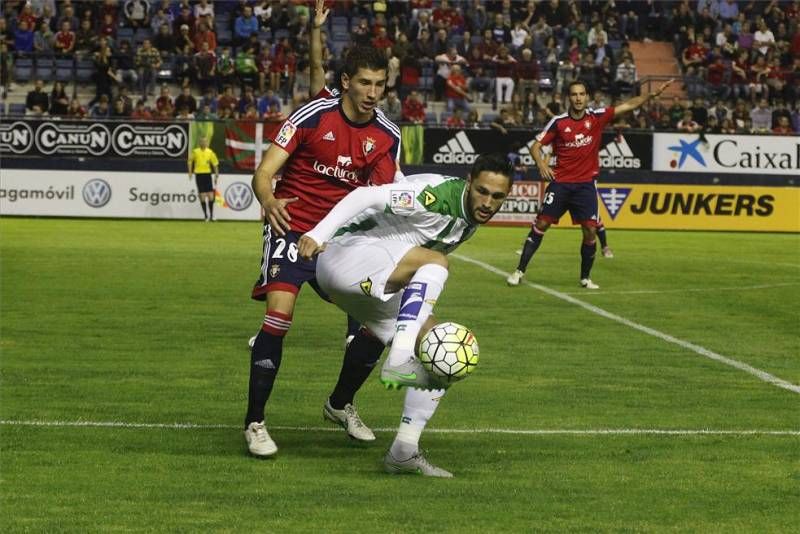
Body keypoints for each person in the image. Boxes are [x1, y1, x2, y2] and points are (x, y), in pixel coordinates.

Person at [242, 0, 402, 459]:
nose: (373, 93)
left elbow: (387, 198)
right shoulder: (313, 115)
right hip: (293, 228)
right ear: (346, 82)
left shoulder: (387, 135)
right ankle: (255, 423)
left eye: (380, 85)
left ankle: (340, 403)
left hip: (343, 240)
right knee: (279, 316)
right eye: (365, 83)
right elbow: (263, 172)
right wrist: (269, 199)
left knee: (375, 323)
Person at [296, 154, 514, 477]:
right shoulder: (435, 195)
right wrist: (319, 232)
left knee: (444, 355)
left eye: (497, 197)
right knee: (436, 262)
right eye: (482, 191)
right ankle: (398, 359)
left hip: (374, 275)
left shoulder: (469, 218)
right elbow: (366, 196)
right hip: (345, 255)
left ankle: (403, 451)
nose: (488, 202)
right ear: (469, 182)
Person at [507, 78, 672, 289]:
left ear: (587, 97)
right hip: (561, 184)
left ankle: (585, 278)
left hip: (585, 185)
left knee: (590, 231)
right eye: (574, 94)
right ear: (569, 97)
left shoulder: (597, 117)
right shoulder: (559, 122)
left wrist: (651, 95)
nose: (578, 98)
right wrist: (541, 165)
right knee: (542, 224)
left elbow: (629, 105)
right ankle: (519, 271)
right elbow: (536, 147)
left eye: (581, 94)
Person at [187, 136, 220, 221]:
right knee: (202, 196)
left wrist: (216, 174)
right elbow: (190, 161)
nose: (203, 143)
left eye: (205, 142)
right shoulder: (195, 152)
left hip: (207, 175)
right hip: (199, 175)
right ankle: (206, 216)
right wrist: (190, 172)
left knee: (211, 196)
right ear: (199, 143)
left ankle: (212, 216)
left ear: (207, 143)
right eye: (202, 141)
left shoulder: (210, 152)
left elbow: (215, 164)